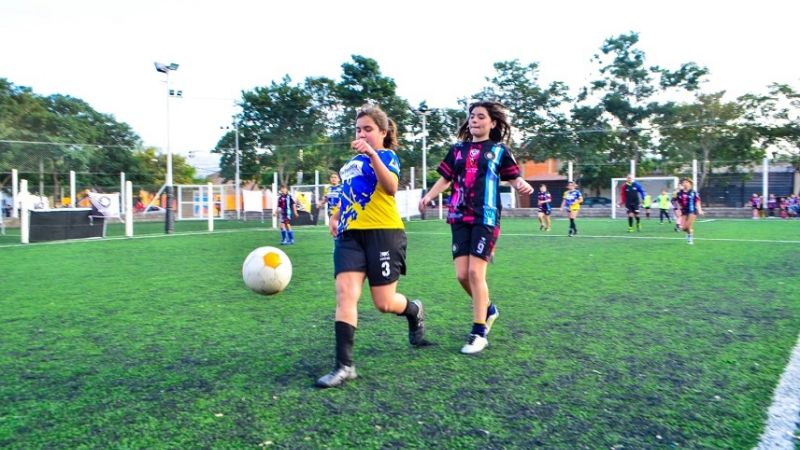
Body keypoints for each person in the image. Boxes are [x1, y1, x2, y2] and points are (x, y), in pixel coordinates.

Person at [316, 104, 426, 388]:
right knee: (345, 294)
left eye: (368, 129)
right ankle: (344, 366)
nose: (362, 134)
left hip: (384, 234)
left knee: (384, 303)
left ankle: (414, 310)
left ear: (383, 132)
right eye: (358, 129)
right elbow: (348, 194)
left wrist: (373, 155)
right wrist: (335, 216)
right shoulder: (348, 165)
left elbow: (390, 187)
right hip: (350, 236)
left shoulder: (387, 156)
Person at [419, 101, 533, 354]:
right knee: (462, 275)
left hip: (486, 217)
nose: (474, 120)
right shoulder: (458, 150)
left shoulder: (499, 151)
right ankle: (489, 309)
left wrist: (522, 184)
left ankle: (479, 332)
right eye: (472, 116)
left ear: (492, 123)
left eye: (481, 116)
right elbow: (446, 178)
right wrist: (429, 196)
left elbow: (513, 177)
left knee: (474, 273)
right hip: (458, 215)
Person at [675, 178, 704, 245]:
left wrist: (700, 210)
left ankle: (690, 236)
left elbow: (697, 201)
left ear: (690, 183)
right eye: (683, 182)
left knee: (687, 226)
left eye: (686, 182)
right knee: (684, 228)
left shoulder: (693, 192)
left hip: (692, 211)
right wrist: (678, 210)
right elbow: (678, 202)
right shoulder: (679, 193)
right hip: (684, 211)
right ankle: (690, 233)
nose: (685, 183)